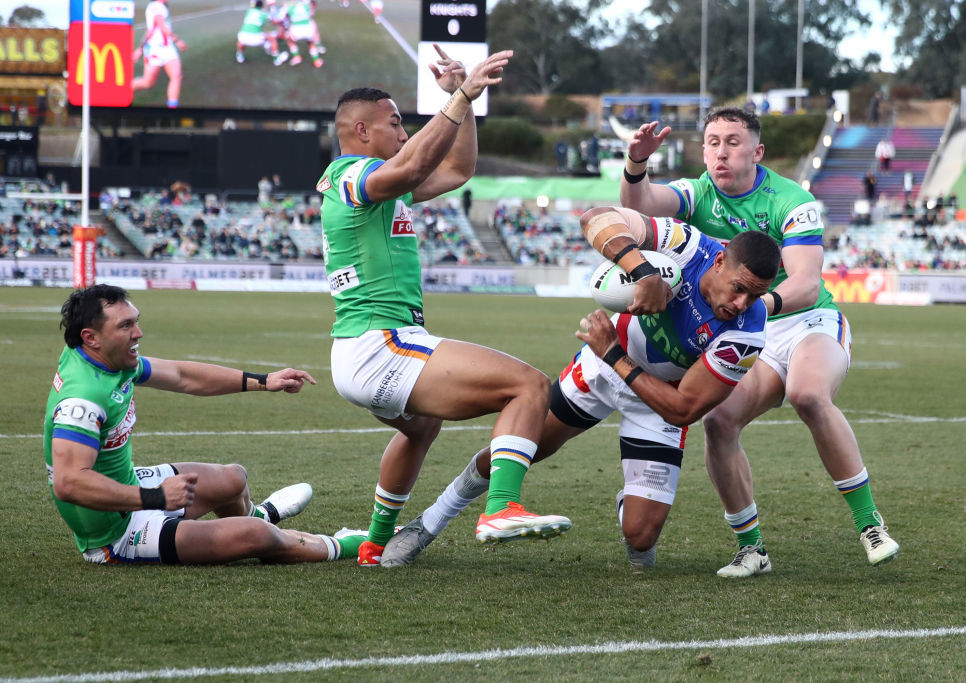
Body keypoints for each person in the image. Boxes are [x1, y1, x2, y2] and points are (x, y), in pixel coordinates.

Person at [380, 208, 781, 568]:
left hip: (654, 399)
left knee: (641, 539)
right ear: (719, 260)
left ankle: (635, 502)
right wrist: (642, 270)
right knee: (526, 448)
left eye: (756, 295)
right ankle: (427, 523)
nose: (743, 303)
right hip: (599, 371)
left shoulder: (747, 333)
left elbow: (682, 410)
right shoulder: (689, 246)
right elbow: (596, 217)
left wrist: (613, 355)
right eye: (739, 288)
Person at [617, 107, 899, 576]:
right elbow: (637, 208)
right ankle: (752, 549)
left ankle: (870, 524)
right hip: (752, 328)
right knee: (720, 422)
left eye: (732, 141)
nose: (720, 152)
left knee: (807, 394)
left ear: (757, 151)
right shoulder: (697, 192)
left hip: (806, 319)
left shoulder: (792, 199)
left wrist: (754, 307)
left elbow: (807, 282)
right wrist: (636, 165)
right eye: (711, 142)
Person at [318, 45, 570, 567]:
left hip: (368, 348)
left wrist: (466, 105)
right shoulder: (350, 175)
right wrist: (459, 96)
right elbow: (411, 166)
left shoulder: (384, 186)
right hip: (379, 344)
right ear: (363, 131)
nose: (404, 132)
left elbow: (457, 169)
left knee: (422, 427)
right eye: (394, 123)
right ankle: (500, 507)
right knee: (529, 385)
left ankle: (374, 541)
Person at [45, 284, 364, 565]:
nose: (138, 333)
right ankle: (351, 541)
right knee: (256, 537)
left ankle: (262, 515)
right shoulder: (83, 399)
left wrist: (265, 381)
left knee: (233, 479)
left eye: (136, 321)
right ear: (92, 337)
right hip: (116, 535)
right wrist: (155, 498)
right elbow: (69, 483)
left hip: (130, 485)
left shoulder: (108, 360)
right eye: (126, 325)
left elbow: (182, 376)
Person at [132, 0, 187, 109]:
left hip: (167, 48)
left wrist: (140, 49)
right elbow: (160, 23)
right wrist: (177, 40)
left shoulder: (160, 6)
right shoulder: (156, 6)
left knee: (176, 76)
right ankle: (121, 90)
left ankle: (173, 106)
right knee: (147, 82)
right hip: (155, 49)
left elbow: (150, 30)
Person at [236, 0, 278, 64]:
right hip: (256, 39)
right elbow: (274, 20)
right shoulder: (264, 14)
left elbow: (253, 4)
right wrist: (272, 6)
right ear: (262, 5)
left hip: (243, 38)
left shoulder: (249, 11)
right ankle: (276, 59)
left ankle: (239, 55)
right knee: (271, 38)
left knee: (241, 38)